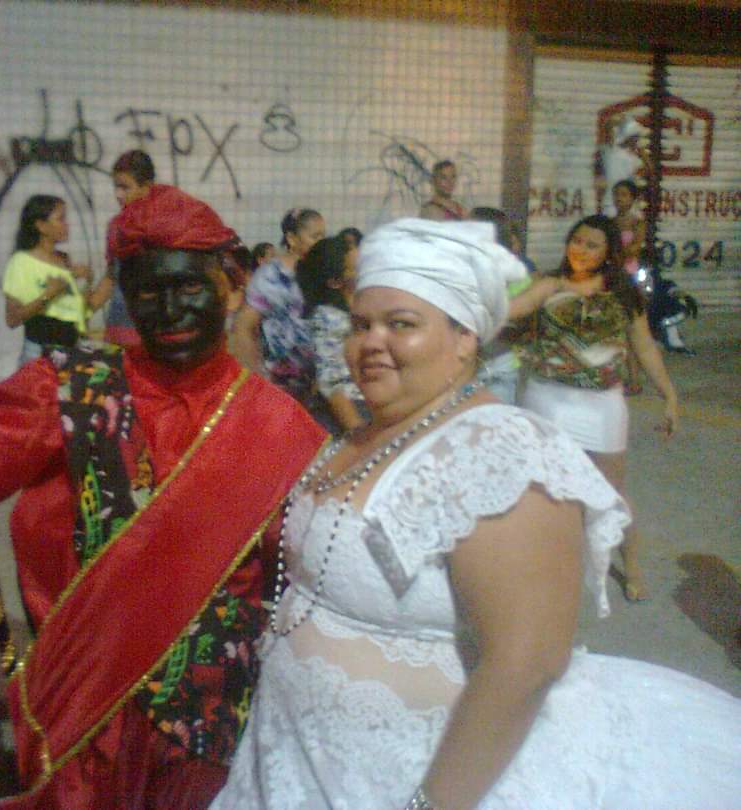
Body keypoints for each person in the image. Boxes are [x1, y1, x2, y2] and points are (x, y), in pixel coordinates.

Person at [212, 218, 741, 810]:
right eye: (361, 324)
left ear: (465, 337)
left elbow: (528, 662)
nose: (370, 342)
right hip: (294, 761)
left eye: (401, 324)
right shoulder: (365, 434)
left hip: (421, 780)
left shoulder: (501, 453)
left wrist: (430, 805)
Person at [0, 187, 327, 809]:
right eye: (146, 292)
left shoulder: (283, 430)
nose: (169, 310)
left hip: (212, 733)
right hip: (85, 727)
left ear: (229, 286)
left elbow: (306, 589)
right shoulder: (69, 388)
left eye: (188, 286)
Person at [510, 214, 679, 602]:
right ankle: (540, 564)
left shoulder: (623, 293)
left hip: (602, 404)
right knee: (542, 489)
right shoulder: (549, 284)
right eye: (577, 241)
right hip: (547, 398)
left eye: (592, 245)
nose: (581, 249)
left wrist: (669, 394)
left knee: (611, 493)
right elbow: (513, 310)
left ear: (608, 253)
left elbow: (644, 346)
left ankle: (631, 565)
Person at [230, 207, 325, 406]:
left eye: (323, 236)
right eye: (315, 237)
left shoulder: (321, 274)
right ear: (291, 239)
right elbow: (243, 327)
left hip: (320, 389)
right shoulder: (271, 276)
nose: (321, 243)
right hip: (279, 386)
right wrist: (257, 380)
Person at [2, 194, 91, 366]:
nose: (67, 225)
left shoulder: (64, 259)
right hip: (39, 354)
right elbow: (12, 319)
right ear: (41, 226)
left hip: (70, 351)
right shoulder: (21, 262)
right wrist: (49, 294)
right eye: (61, 219)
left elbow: (75, 313)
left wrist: (87, 282)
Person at [296, 235, 367, 432]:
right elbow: (331, 384)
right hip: (351, 411)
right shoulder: (328, 319)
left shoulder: (359, 307)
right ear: (335, 281)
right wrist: (359, 433)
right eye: (357, 267)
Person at [90, 149, 157, 348]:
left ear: (146, 187)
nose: (117, 194)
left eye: (125, 187)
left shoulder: (164, 228)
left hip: (152, 334)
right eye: (116, 187)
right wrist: (83, 310)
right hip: (117, 330)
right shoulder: (116, 227)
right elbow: (112, 277)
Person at [467, 206, 533, 404]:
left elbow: (520, 328)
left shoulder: (517, 279)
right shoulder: (457, 271)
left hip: (498, 371)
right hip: (458, 373)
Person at [611, 179, 648, 393]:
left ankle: (634, 380)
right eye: (617, 194)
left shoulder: (636, 223)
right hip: (614, 279)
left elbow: (634, 249)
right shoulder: (611, 222)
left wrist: (614, 254)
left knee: (630, 332)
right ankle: (626, 378)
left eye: (624, 195)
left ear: (633, 199)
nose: (619, 199)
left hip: (629, 279)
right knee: (618, 333)